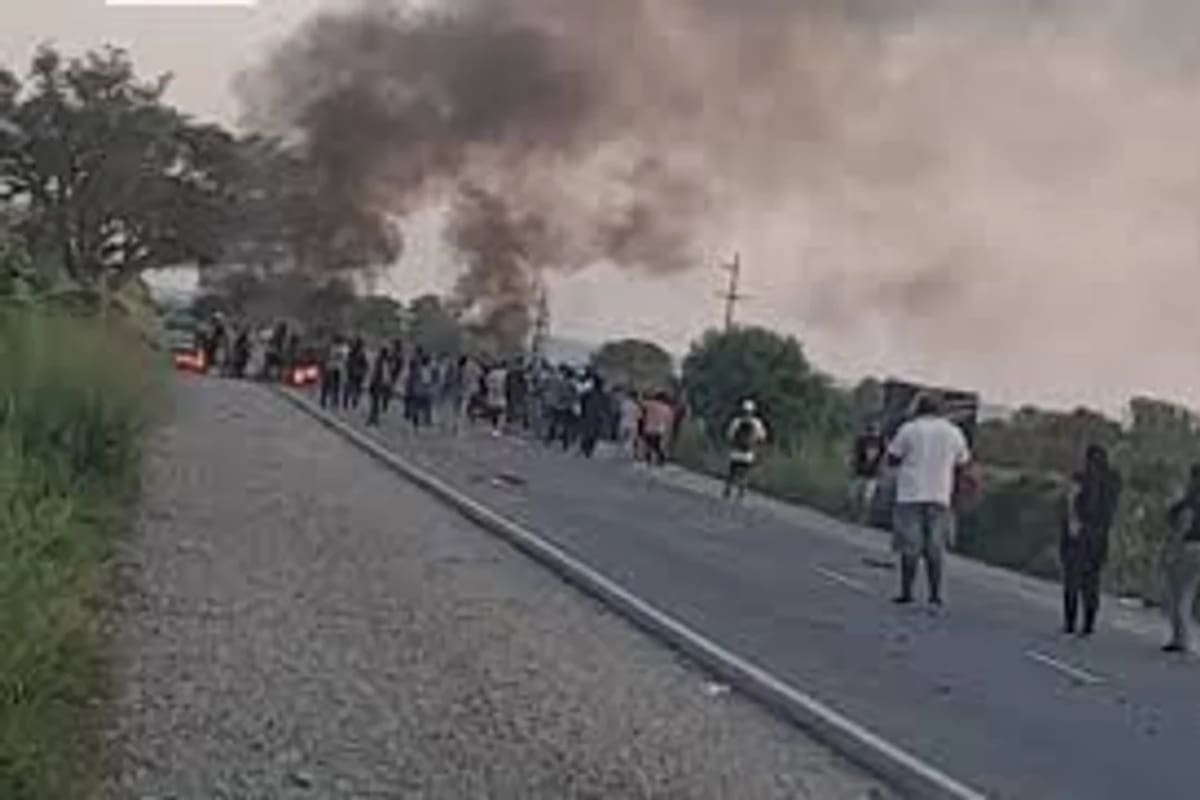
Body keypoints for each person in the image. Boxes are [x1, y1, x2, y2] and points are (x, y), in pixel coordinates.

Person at [885, 393, 971, 607]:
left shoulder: (909, 429)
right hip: (940, 495)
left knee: (910, 546)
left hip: (910, 494)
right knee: (935, 547)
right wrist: (956, 496)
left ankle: (907, 592)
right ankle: (935, 594)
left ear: (919, 409)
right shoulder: (954, 433)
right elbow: (962, 464)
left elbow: (893, 457)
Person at [1059, 445, 1122, 636]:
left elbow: (1070, 500)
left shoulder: (1081, 477)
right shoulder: (1114, 481)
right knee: (1092, 580)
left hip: (1081, 532)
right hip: (1101, 534)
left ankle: (1070, 623)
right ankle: (1089, 623)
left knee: (1072, 579)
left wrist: (1072, 523)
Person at [1163, 464, 1200, 653]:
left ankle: (1181, 638)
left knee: (1179, 594)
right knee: (1188, 593)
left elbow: (1185, 522)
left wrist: (1173, 549)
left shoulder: (1192, 499)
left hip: (1188, 547)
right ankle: (1181, 637)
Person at [723, 400, 769, 501]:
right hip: (748, 453)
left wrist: (732, 443)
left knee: (732, 472)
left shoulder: (736, 421)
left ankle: (728, 488)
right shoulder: (757, 423)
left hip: (735, 452)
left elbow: (729, 435)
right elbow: (762, 437)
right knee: (745, 473)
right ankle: (741, 491)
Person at [851, 422, 886, 522]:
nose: (874, 433)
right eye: (872, 431)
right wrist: (854, 463)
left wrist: (881, 470)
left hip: (872, 474)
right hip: (860, 471)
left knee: (867, 497)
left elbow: (884, 457)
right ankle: (854, 514)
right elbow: (855, 453)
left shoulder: (881, 442)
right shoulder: (861, 440)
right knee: (854, 495)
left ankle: (862, 518)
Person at [578, 375, 611, 458]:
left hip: (590, 416)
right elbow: (606, 408)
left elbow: (581, 403)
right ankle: (587, 450)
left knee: (589, 433)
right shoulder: (602, 395)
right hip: (594, 416)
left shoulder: (588, 394)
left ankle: (586, 450)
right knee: (591, 434)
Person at [640, 392, 675, 466]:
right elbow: (669, 421)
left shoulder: (650, 404)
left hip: (649, 428)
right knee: (657, 445)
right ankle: (661, 459)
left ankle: (648, 459)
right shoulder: (667, 408)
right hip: (659, 429)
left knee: (648, 444)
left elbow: (642, 404)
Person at [320, 337, 349, 409]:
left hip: (333, 368)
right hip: (336, 368)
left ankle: (328, 401)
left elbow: (328, 356)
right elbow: (345, 359)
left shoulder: (335, 347)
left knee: (330, 386)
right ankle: (332, 402)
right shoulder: (344, 348)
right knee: (333, 386)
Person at [366, 346, 391, 427]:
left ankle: (373, 418)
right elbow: (385, 374)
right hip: (380, 384)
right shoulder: (384, 361)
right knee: (375, 402)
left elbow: (376, 373)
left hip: (378, 383)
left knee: (375, 402)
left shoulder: (380, 361)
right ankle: (373, 419)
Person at [484, 362, 509, 435]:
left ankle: (495, 428)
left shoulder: (492, 373)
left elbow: (486, 383)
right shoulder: (505, 373)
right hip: (502, 394)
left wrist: (491, 387)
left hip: (492, 395)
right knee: (502, 412)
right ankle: (499, 428)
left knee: (494, 412)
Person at [344, 337, 368, 410]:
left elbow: (348, 362)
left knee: (349, 387)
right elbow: (365, 364)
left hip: (352, 372)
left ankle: (346, 401)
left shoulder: (352, 352)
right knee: (357, 388)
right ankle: (354, 400)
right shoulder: (362, 353)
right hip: (359, 373)